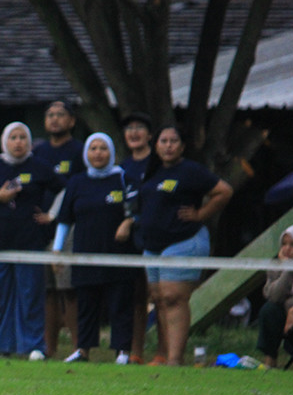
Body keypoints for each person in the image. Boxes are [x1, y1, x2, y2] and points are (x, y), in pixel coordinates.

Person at [123, 125, 233, 366]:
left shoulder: (191, 171)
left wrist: (201, 213)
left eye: (174, 141)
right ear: (156, 145)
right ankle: (162, 355)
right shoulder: (152, 171)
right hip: (152, 246)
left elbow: (224, 191)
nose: (168, 145)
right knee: (159, 298)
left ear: (182, 147)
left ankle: (175, 359)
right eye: (164, 141)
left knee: (173, 297)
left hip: (184, 240)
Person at [0, 121, 65, 361]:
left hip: (29, 241)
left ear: (30, 141)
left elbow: (64, 190)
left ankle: (34, 346)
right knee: (0, 295)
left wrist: (51, 215)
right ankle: (1, 344)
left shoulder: (40, 166)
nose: (18, 142)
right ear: (5, 141)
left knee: (30, 294)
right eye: (13, 137)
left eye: (23, 137)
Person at [51, 132, 136, 364]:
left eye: (103, 148)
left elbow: (137, 210)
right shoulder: (77, 182)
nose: (98, 153)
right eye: (93, 148)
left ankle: (122, 351)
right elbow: (65, 219)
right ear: (86, 153)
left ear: (111, 152)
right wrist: (57, 251)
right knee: (86, 304)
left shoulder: (122, 179)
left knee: (120, 304)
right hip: (84, 253)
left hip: (118, 254)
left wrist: (128, 223)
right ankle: (83, 349)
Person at [33, 101, 83, 358]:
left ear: (72, 121)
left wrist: (54, 215)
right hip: (40, 231)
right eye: (49, 115)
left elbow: (75, 189)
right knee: (48, 291)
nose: (54, 119)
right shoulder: (38, 152)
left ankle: (77, 347)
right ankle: (47, 349)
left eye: (60, 115)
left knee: (68, 290)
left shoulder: (79, 152)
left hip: (69, 229)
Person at [119, 111, 155, 365]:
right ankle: (135, 351)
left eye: (139, 127)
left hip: (154, 236)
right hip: (126, 241)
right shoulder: (121, 167)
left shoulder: (158, 164)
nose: (133, 132)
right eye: (129, 128)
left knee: (159, 295)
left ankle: (164, 352)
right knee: (134, 296)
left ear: (150, 135)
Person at [255, 224, 293, 368]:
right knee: (269, 310)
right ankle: (270, 360)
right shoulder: (275, 268)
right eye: (284, 244)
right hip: (284, 313)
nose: (287, 249)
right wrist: (288, 269)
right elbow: (274, 296)